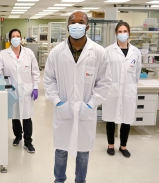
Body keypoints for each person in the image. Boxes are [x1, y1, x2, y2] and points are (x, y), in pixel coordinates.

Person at [44, 11, 112, 183]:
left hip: (85, 111)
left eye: (80, 22)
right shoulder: (57, 52)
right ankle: (59, 180)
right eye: (72, 22)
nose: (76, 25)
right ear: (68, 26)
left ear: (87, 26)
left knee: (83, 151)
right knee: (61, 150)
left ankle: (80, 181)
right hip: (63, 109)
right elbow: (49, 80)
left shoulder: (98, 52)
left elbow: (104, 83)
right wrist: (58, 102)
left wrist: (91, 104)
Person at [0, 28, 40, 153]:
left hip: (26, 90)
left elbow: (35, 72)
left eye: (18, 36)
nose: (16, 38)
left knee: (27, 117)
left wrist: (35, 87)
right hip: (12, 90)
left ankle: (28, 142)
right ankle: (18, 137)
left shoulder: (29, 53)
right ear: (9, 39)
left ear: (21, 38)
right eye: (13, 36)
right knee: (15, 116)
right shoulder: (3, 54)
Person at [102, 22, 142, 158]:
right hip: (113, 90)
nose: (123, 33)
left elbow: (137, 72)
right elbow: (104, 71)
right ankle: (110, 145)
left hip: (128, 90)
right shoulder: (108, 51)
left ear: (129, 33)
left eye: (125, 31)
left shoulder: (135, 52)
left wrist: (130, 85)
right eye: (120, 31)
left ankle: (123, 146)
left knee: (127, 118)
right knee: (110, 118)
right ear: (116, 33)